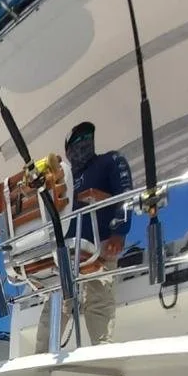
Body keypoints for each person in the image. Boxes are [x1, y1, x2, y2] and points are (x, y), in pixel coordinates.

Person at [36, 120, 133, 352]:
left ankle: (100, 349)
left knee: (98, 297)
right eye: (76, 142)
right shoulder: (65, 179)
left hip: (101, 246)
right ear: (68, 151)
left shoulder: (110, 161)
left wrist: (119, 232)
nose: (82, 144)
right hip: (68, 251)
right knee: (57, 302)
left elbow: (125, 195)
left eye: (86, 137)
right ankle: (40, 355)